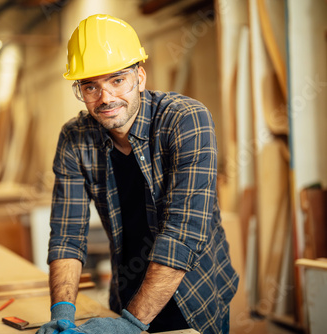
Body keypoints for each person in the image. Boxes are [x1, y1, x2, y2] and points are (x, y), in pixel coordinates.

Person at [37, 14, 239, 334]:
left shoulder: (185, 119)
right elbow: (67, 236)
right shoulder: (75, 138)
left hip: (196, 298)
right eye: (91, 86)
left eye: (117, 80)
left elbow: (182, 234)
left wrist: (130, 326)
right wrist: (62, 314)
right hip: (127, 296)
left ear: (140, 78)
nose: (105, 98)